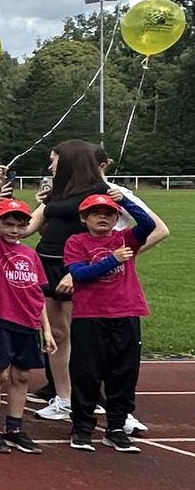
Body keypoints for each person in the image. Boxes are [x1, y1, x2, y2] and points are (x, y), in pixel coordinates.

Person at [62, 191, 160, 453]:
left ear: (117, 218)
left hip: (126, 312)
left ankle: (116, 425)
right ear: (84, 218)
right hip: (90, 316)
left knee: (124, 371)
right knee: (86, 372)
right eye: (95, 214)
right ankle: (82, 426)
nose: (102, 218)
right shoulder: (76, 241)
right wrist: (112, 260)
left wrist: (125, 200)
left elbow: (149, 225)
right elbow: (80, 274)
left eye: (109, 213)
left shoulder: (125, 238)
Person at [29, 140, 106, 423]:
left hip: (79, 268)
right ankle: (63, 397)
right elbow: (27, 228)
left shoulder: (101, 193)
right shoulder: (54, 193)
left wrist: (84, 269)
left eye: (54, 159)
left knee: (84, 336)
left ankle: (89, 397)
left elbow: (115, 235)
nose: (50, 165)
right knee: (57, 335)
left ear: (71, 160)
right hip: (46, 263)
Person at [0, 198, 52, 454]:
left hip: (28, 322)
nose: (13, 230)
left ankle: (16, 427)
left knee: (22, 376)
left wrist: (47, 329)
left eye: (19, 225)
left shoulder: (31, 255)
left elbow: (38, 294)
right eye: (7, 224)